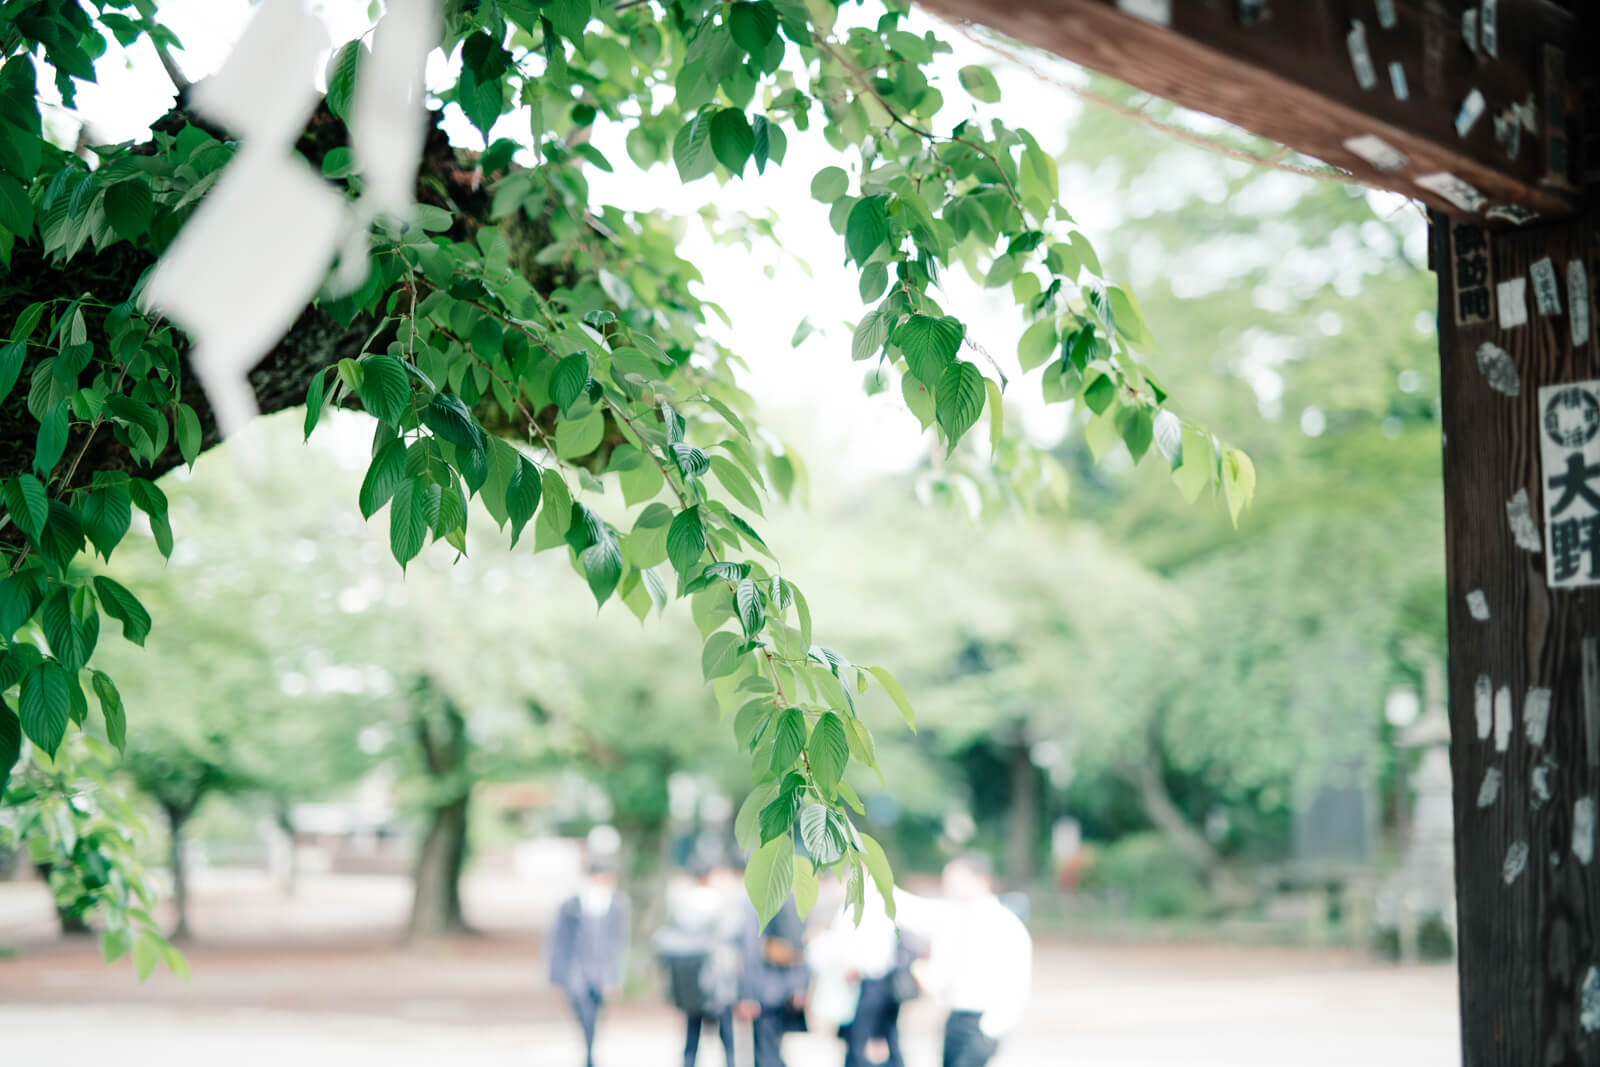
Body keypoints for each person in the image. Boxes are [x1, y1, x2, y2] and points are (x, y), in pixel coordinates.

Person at [894, 852, 1032, 1067]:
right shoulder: (952, 916)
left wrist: (990, 1030)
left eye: (958, 879)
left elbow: (1017, 981)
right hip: (954, 1018)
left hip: (982, 1023)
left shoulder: (1004, 924)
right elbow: (909, 909)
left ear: (982, 880)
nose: (951, 886)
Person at [655, 857, 745, 1067]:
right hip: (718, 981)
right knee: (727, 1040)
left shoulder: (681, 904)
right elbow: (732, 935)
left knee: (692, 1038)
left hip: (690, 981)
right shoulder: (721, 902)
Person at [807, 886, 907, 1067]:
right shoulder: (859, 904)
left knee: (866, 1046)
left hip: (870, 984)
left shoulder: (874, 905)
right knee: (863, 1044)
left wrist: (853, 966)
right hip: (863, 984)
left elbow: (875, 956)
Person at [548, 853, 630, 1067]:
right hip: (577, 970)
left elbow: (618, 943)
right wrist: (555, 975)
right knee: (582, 1011)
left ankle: (590, 1051)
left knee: (595, 1014)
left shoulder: (616, 904)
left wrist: (615, 976)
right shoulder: (572, 905)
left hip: (602, 971)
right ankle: (589, 1052)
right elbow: (559, 941)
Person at [734, 895, 810, 1067]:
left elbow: (751, 949)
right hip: (787, 989)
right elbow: (801, 944)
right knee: (774, 1049)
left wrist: (747, 994)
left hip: (763, 990)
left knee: (766, 1054)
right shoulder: (791, 896)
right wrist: (800, 984)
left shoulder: (755, 900)